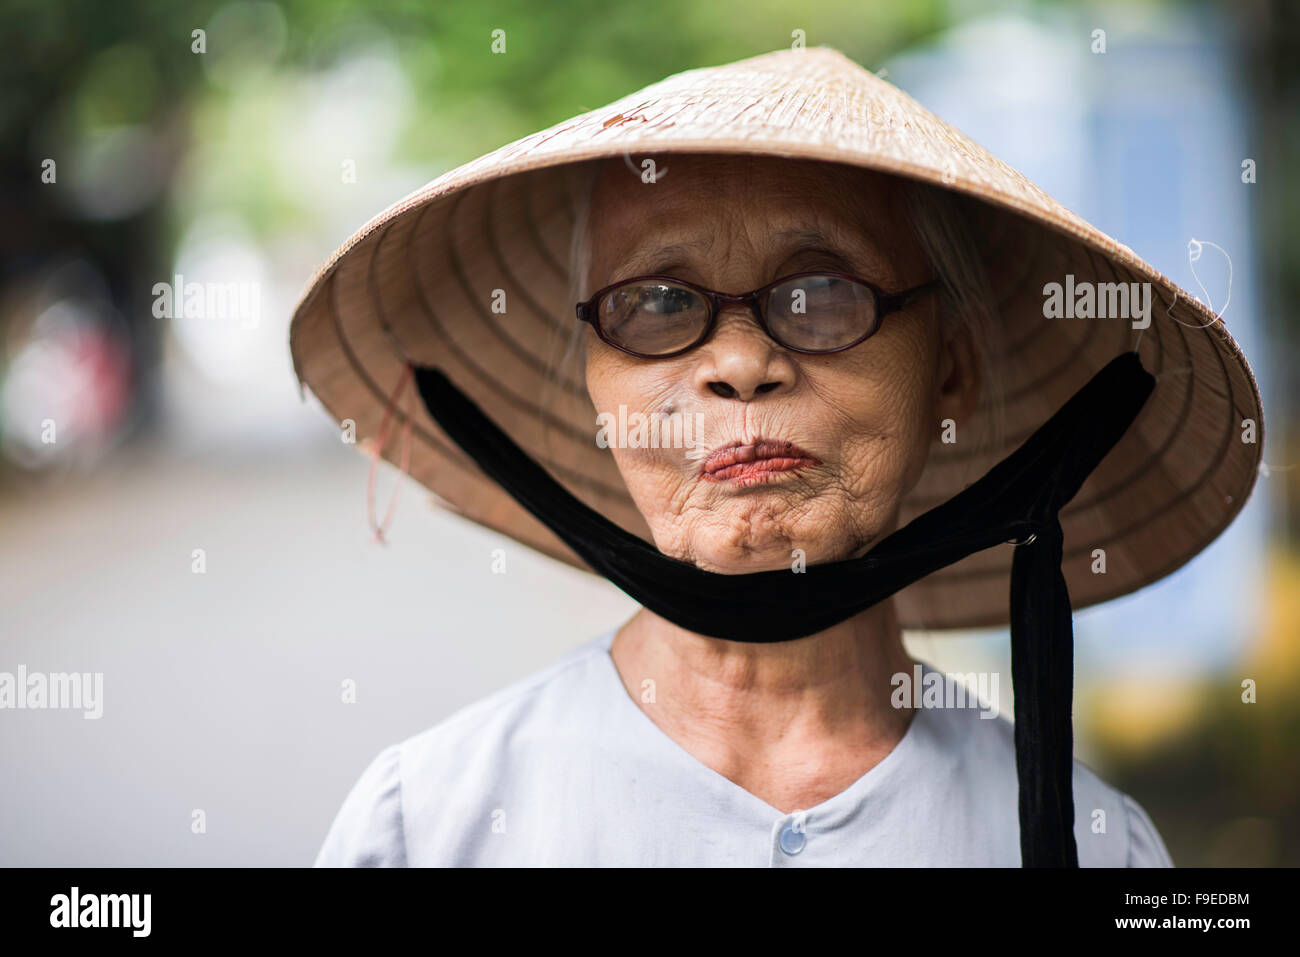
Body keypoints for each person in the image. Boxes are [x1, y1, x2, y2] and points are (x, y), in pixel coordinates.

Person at [291, 47, 1262, 867]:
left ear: (948, 373)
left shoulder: (1101, 849)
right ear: (594, 389)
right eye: (659, 305)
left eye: (822, 294)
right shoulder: (425, 828)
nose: (741, 365)